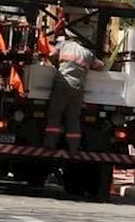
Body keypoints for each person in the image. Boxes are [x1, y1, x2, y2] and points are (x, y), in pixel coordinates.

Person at [42, 23, 104, 152]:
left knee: (55, 115)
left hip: (62, 85)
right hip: (78, 88)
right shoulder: (87, 53)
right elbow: (100, 66)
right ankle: (74, 147)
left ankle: (50, 144)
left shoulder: (64, 45)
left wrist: (56, 62)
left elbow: (51, 55)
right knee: (73, 118)